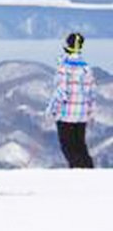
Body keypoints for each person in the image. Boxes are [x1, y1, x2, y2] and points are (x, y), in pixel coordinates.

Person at [46, 33, 96, 168]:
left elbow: (61, 91)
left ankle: (78, 173)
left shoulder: (64, 68)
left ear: (67, 46)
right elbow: (91, 93)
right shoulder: (86, 68)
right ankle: (90, 172)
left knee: (68, 147)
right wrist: (90, 113)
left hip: (65, 115)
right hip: (81, 115)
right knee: (80, 145)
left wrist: (51, 110)